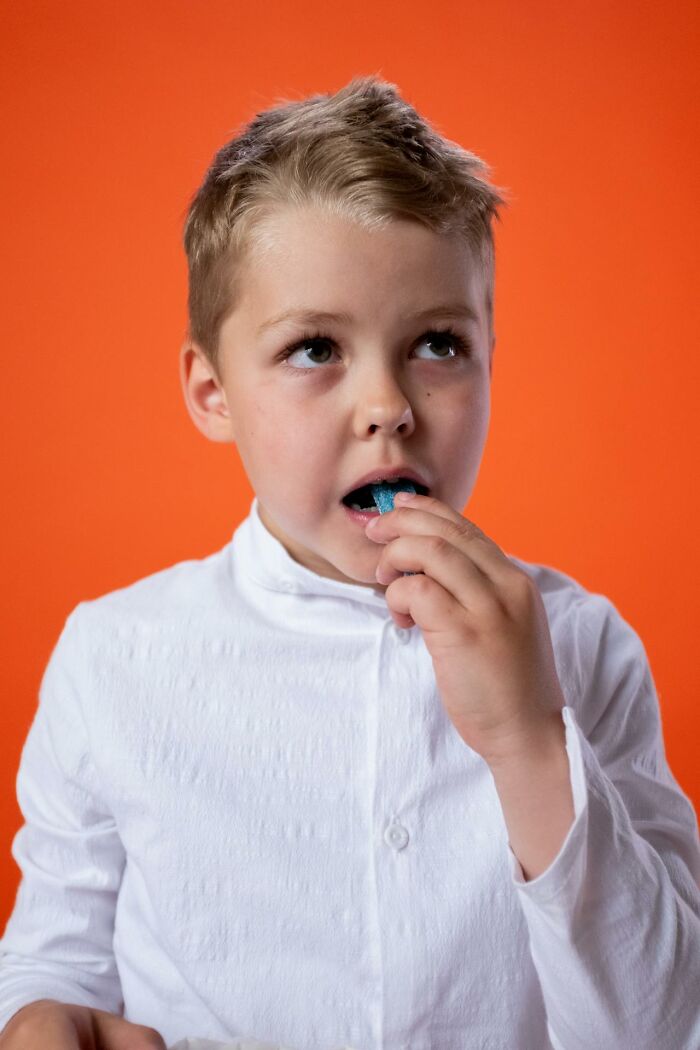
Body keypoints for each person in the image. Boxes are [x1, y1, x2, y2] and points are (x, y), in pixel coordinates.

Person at [0, 73, 698, 1050]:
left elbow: (664, 1028)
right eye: (316, 346)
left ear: (492, 357)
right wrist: (38, 1021)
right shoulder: (113, 659)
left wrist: (531, 744)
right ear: (212, 393)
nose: (388, 405)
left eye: (438, 344)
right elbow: (54, 960)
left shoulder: (580, 650)